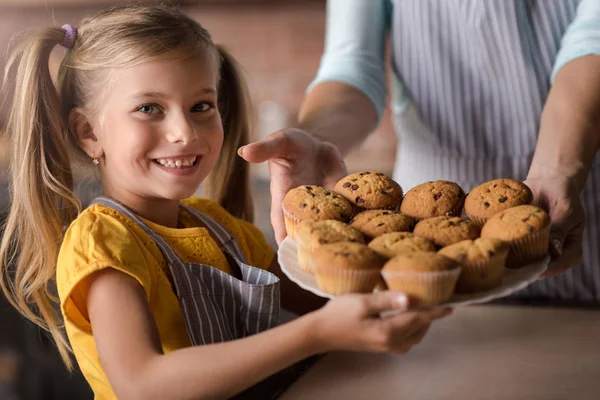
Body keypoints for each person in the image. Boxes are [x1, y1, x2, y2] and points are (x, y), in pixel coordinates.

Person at [0, 5, 452, 399]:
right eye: (149, 109)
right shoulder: (100, 243)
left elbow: (317, 295)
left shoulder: (219, 226)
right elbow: (145, 385)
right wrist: (315, 335)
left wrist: (399, 287)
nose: (185, 132)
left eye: (201, 106)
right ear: (89, 133)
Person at [240, 0, 600, 304]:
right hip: (416, 245)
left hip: (572, 194)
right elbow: (352, 65)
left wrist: (559, 168)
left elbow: (593, 39)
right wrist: (317, 138)